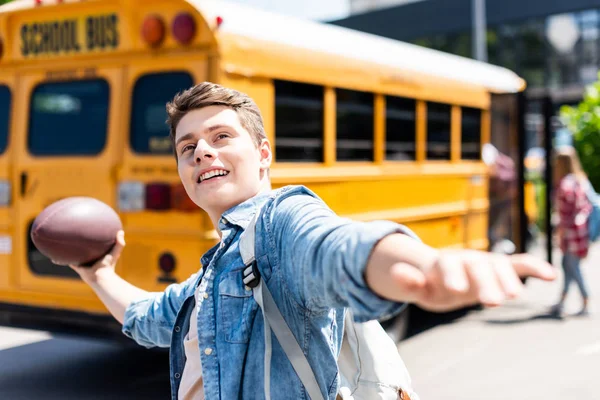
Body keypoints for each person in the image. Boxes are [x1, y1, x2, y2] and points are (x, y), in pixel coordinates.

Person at [69, 82, 556, 400]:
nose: (202, 151)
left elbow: (335, 246)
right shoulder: (214, 273)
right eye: (187, 146)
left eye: (221, 136)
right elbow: (146, 316)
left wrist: (419, 264)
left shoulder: (281, 223)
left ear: (263, 156)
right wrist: (99, 272)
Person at [551, 146, 592, 317]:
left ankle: (585, 298)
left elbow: (567, 211)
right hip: (580, 231)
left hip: (571, 232)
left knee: (572, 266)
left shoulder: (565, 183)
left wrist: (560, 231)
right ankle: (562, 301)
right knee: (568, 265)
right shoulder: (579, 180)